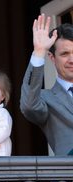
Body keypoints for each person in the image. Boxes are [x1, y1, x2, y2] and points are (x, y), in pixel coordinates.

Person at [20, 13, 73, 156]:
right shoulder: (47, 99)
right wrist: (39, 52)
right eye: (65, 54)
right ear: (52, 57)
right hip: (68, 177)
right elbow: (29, 106)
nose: (71, 59)